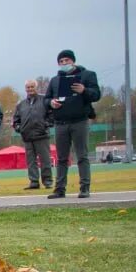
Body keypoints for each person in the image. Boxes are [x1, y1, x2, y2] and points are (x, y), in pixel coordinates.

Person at [45, 50, 100, 199]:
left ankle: (84, 188)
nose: (64, 63)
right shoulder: (55, 80)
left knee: (82, 155)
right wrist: (51, 103)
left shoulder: (87, 75)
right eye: (61, 61)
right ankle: (60, 189)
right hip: (61, 122)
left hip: (79, 121)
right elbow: (46, 99)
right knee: (62, 158)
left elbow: (96, 95)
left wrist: (84, 90)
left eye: (67, 60)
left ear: (73, 61)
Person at [13, 80, 53, 190]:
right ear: (25, 89)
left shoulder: (44, 100)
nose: (30, 89)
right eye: (28, 87)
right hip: (27, 136)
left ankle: (47, 181)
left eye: (32, 87)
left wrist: (46, 125)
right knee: (31, 161)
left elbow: (52, 115)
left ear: (36, 87)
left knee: (45, 160)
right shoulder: (21, 104)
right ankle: (34, 181)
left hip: (42, 135)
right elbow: (16, 120)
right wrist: (19, 128)